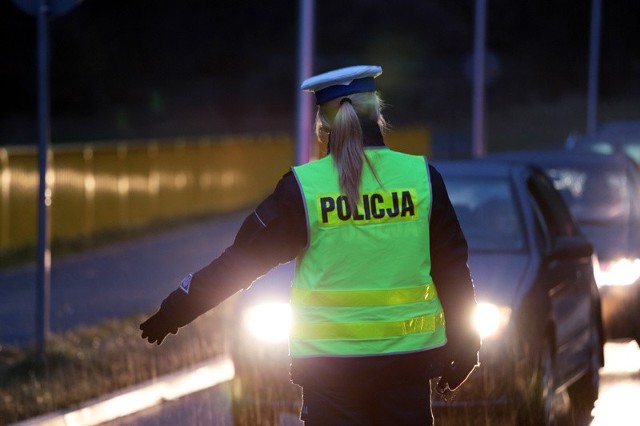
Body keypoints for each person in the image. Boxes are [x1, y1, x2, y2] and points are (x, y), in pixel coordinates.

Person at [140, 65, 480, 425]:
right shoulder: (422, 179)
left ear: (323, 125)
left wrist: (175, 310)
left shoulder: (304, 190)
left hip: (330, 376)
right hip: (406, 369)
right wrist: (466, 346)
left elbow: (240, 263)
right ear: (377, 114)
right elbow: (454, 270)